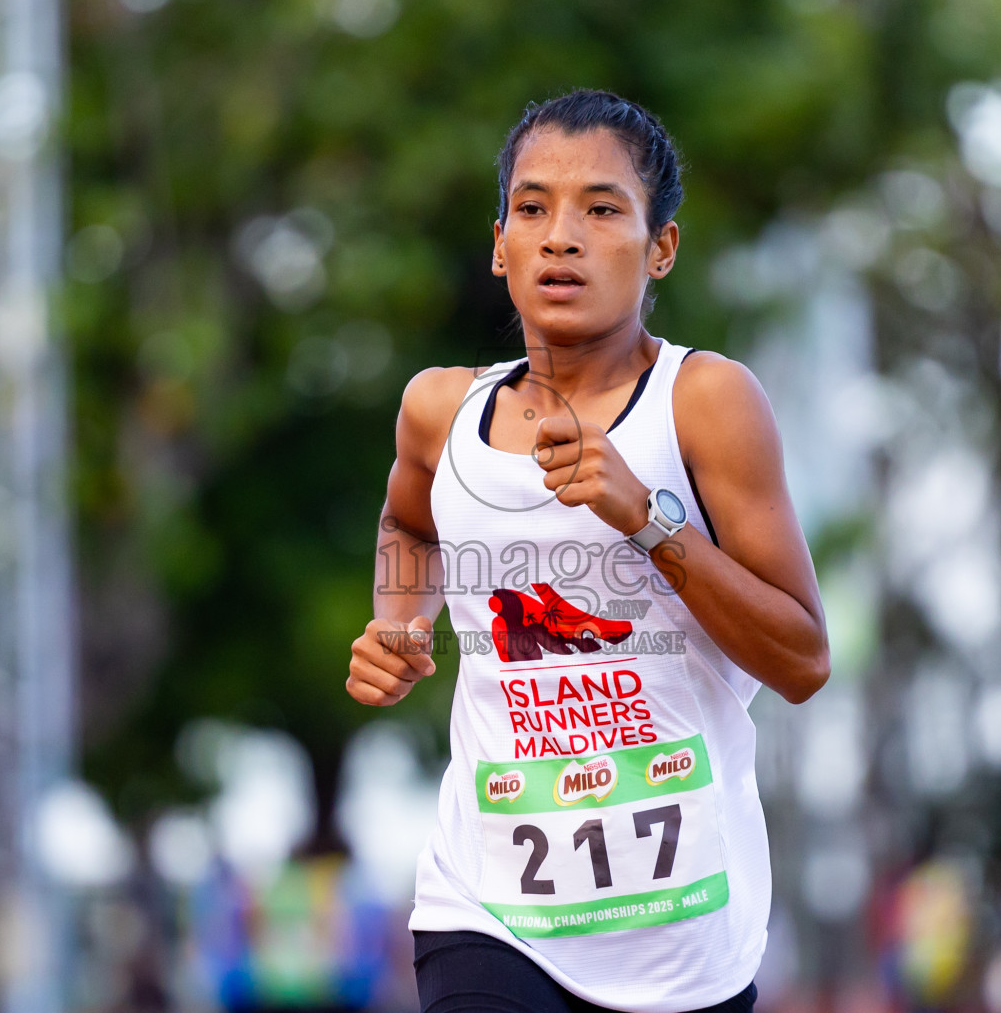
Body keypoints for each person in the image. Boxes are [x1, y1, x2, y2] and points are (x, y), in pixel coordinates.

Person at [346, 89, 831, 1013]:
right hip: (489, 908)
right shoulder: (438, 410)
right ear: (499, 245)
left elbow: (803, 659)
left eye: (602, 209)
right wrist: (400, 622)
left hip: (683, 931)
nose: (560, 236)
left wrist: (645, 517)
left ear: (661, 249)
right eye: (533, 209)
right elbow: (410, 522)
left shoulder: (707, 403)